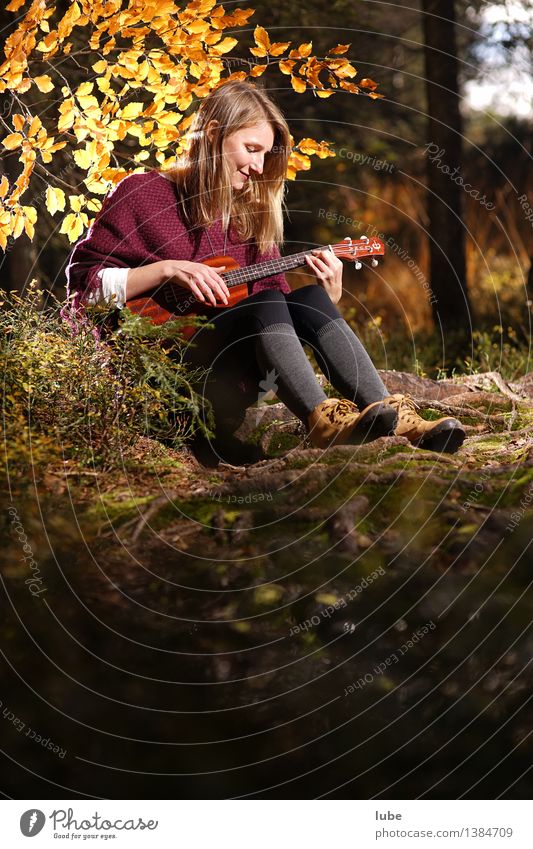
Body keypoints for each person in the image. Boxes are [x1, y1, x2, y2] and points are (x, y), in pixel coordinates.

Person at [65, 81, 465, 461]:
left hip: (228, 376)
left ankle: (396, 418)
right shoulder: (144, 194)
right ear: (215, 133)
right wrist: (166, 270)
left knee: (305, 297)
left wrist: (330, 298)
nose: (258, 166)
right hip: (161, 378)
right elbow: (83, 289)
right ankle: (320, 422)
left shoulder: (250, 218)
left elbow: (279, 314)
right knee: (270, 300)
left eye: (265, 154)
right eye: (251, 148)